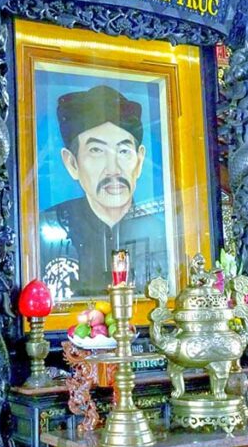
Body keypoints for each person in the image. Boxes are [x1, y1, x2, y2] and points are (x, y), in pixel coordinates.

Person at [39, 85, 169, 299]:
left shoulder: (161, 234)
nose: (113, 169)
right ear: (71, 163)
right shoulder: (46, 230)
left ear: (139, 162)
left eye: (124, 151)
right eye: (96, 151)